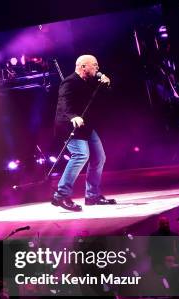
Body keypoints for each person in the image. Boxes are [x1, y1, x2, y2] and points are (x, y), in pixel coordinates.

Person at [52, 55, 116, 212]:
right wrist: (73, 116)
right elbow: (64, 103)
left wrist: (106, 85)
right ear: (83, 67)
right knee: (81, 155)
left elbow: (102, 100)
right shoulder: (70, 82)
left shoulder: (91, 81)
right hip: (69, 126)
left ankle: (92, 196)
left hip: (85, 126)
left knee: (99, 157)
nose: (97, 68)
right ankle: (60, 195)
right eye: (94, 65)